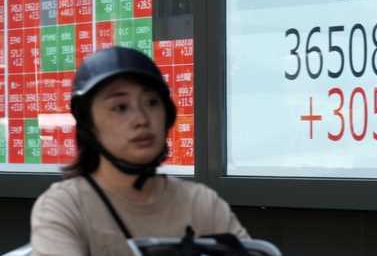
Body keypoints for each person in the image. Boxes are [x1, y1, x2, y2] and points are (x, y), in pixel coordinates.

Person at [31, 46, 249, 256]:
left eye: (152, 102)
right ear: (89, 124)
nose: (142, 119)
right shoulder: (64, 206)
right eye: (120, 107)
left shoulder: (202, 204)